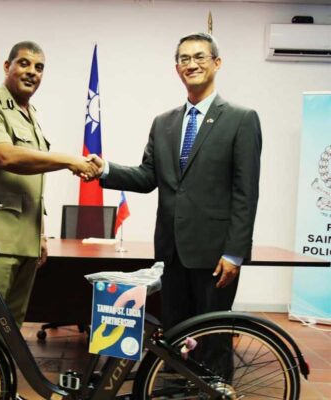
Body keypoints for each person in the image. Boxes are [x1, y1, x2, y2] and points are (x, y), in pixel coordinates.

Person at [89, 32, 262, 339]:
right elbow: (146, 177)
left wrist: (235, 253)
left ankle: (216, 387)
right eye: (184, 58)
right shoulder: (163, 123)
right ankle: (174, 387)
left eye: (200, 57)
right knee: (175, 334)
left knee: (212, 336)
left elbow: (245, 193)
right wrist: (105, 169)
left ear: (217, 63)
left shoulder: (241, 119)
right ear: (177, 68)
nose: (191, 64)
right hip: (171, 252)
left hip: (215, 255)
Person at [0, 40, 98, 396]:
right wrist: (69, 159)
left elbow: (30, 185)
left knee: (10, 327)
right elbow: (6, 158)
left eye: (39, 68)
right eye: (24, 64)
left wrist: (41, 233)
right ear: (7, 66)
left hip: (23, 240)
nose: (32, 72)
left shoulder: (30, 115)